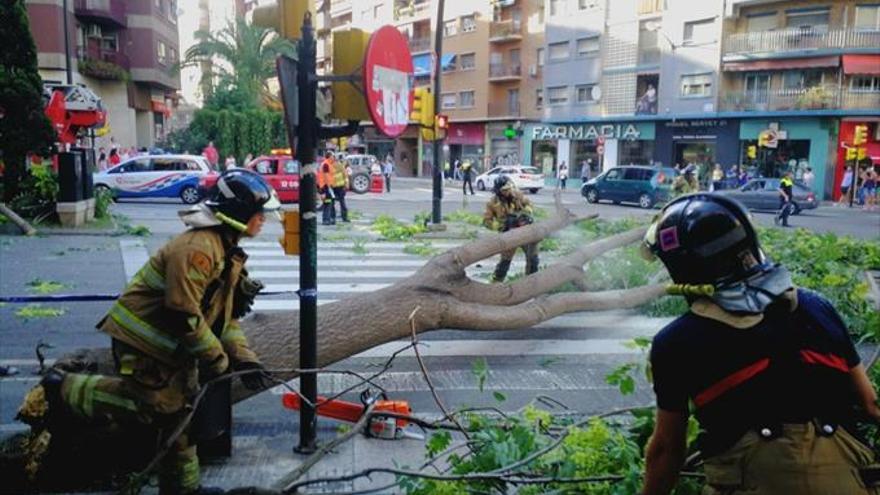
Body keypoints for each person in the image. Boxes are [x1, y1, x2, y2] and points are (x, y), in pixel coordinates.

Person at [22, 170, 279, 495]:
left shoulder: (226, 252)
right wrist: (217, 360)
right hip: (143, 342)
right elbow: (183, 313)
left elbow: (222, 320)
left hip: (171, 348)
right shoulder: (199, 249)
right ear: (239, 214)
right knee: (159, 408)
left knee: (180, 419)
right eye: (260, 215)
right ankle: (64, 390)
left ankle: (183, 489)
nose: (264, 221)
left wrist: (245, 359)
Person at [640, 193, 880, 495]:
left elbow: (666, 449)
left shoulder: (676, 342)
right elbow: (871, 404)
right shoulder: (818, 307)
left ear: (684, 270)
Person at [483, 176, 539, 282]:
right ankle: (497, 282)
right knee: (505, 262)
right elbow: (486, 221)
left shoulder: (517, 195)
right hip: (508, 235)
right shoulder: (492, 203)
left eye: (508, 189)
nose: (507, 192)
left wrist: (525, 214)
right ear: (498, 190)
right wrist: (501, 225)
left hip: (524, 232)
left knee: (533, 259)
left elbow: (529, 205)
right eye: (504, 190)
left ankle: (531, 282)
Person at [318, 152, 338, 225]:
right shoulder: (326, 164)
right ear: (329, 157)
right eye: (333, 156)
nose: (334, 158)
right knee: (328, 203)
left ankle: (331, 218)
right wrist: (328, 188)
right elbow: (326, 177)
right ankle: (326, 219)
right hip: (326, 187)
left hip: (328, 187)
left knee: (331, 203)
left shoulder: (329, 164)